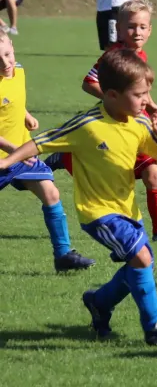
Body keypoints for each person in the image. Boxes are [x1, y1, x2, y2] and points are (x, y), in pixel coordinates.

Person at [0, 49, 157, 344]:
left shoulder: (141, 123)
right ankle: (154, 329)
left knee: (141, 264)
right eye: (139, 94)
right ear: (111, 95)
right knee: (142, 258)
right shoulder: (86, 125)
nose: (146, 100)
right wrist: (6, 161)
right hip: (97, 213)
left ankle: (100, 302)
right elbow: (41, 143)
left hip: (128, 211)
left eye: (147, 93)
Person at [46, 0, 157, 242]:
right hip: (113, 126)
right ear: (119, 27)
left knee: (153, 174)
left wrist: (154, 105)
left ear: (150, 29)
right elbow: (89, 82)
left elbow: (138, 88)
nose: (137, 32)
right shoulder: (113, 56)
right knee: (111, 173)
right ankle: (65, 156)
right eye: (131, 26)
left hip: (135, 127)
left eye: (142, 27)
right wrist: (115, 100)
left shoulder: (140, 54)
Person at [0, 29, 94, 272]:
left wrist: (26, 115)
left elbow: (12, 100)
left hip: (22, 155)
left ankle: (63, 255)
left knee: (50, 193)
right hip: (8, 155)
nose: (6, 63)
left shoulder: (18, 70)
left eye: (8, 54)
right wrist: (16, 149)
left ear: (12, 46)